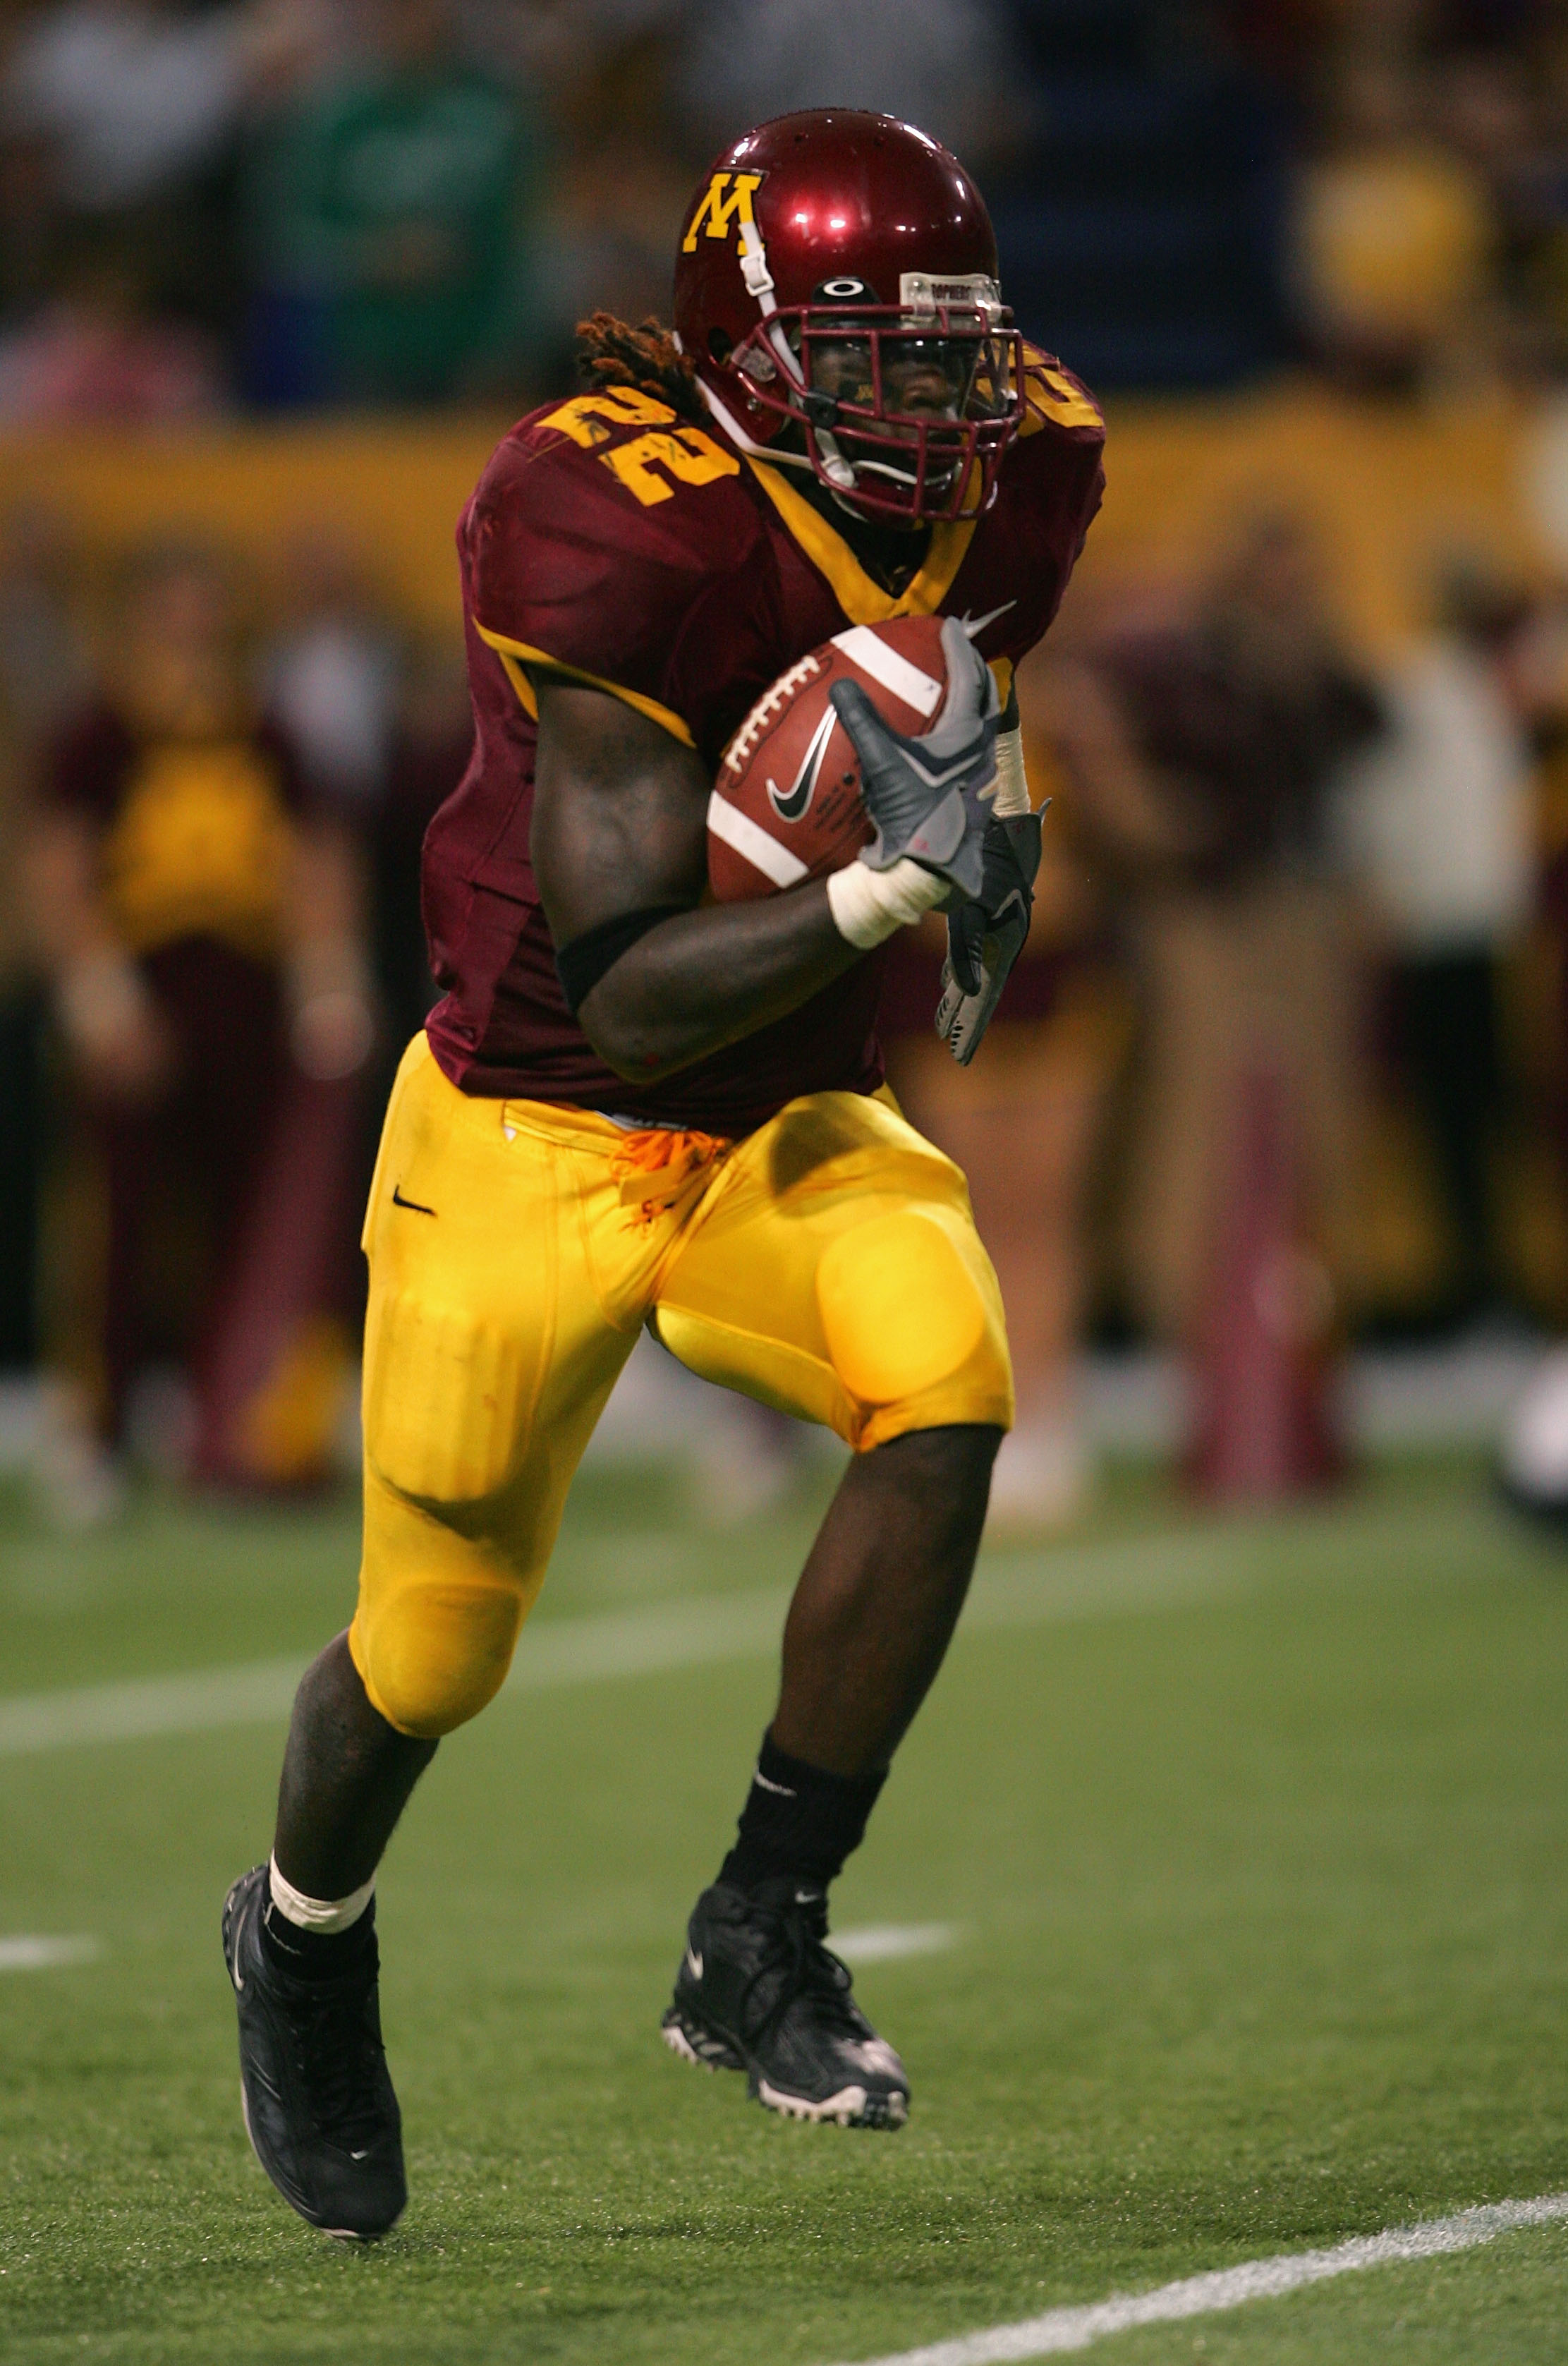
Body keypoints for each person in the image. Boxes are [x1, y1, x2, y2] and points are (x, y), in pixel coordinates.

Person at [221, 107, 1105, 2238]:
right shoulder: (607, 514)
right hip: (540, 1113)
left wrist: (914, 828)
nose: (949, 398)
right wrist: (903, 885)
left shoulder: (1026, 470)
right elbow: (620, 990)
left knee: (949, 1369)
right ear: (761, 352)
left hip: (776, 1119)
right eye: (889, 354)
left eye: (957, 345)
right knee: (430, 1655)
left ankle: (760, 1927)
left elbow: (889, 707)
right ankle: (302, 1931)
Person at [24, 538, 375, 1503]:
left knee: (252, 1221)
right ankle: (95, 1430)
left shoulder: (269, 733)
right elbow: (60, 870)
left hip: (248, 1007)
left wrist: (328, 981)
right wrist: (100, 996)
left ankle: (232, 1422)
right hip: (142, 997)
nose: (193, 635)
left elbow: (314, 864)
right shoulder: (98, 734)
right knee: (117, 1228)